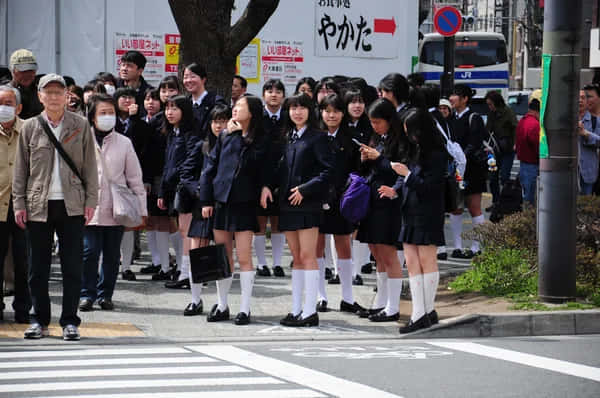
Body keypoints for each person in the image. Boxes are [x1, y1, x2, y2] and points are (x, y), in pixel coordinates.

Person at [12, 74, 99, 340]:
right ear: (39, 96)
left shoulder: (80, 125)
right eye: (47, 92)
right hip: (38, 204)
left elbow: (90, 168)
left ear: (67, 96)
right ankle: (39, 320)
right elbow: (21, 169)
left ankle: (70, 321)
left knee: (73, 265)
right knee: (37, 267)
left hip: (72, 204)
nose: (53, 97)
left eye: (58, 92)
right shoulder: (29, 126)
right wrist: (19, 203)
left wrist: (91, 201)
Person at [261, 93, 334, 327]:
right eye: (293, 108)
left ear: (310, 111)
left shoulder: (318, 137)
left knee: (307, 255)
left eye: (302, 108)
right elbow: (277, 169)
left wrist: (305, 189)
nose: (297, 112)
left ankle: (310, 311)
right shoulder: (287, 137)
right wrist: (266, 185)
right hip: (287, 204)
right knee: (296, 258)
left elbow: (328, 172)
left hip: (308, 204)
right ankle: (296, 309)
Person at [199, 95, 268, 325]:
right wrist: (206, 200)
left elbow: (257, 165)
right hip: (221, 202)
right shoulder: (225, 135)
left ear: (252, 112)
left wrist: (238, 136)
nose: (235, 110)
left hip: (245, 203)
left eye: (241, 106)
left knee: (244, 257)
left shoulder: (259, 138)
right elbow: (210, 168)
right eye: (235, 106)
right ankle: (222, 304)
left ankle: (245, 308)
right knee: (222, 256)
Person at [79, 94, 147, 312]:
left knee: (111, 255)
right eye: (103, 113)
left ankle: (105, 294)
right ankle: (86, 294)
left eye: (111, 113)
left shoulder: (124, 142)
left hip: (116, 208)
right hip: (88, 207)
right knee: (89, 253)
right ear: (92, 116)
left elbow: (135, 178)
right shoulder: (81, 139)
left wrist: (142, 210)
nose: (108, 117)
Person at [386, 109, 447, 333]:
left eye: (411, 132)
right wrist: (394, 190)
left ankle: (422, 312)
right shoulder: (413, 150)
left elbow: (431, 187)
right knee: (411, 262)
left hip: (428, 210)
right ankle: (422, 312)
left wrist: (408, 175)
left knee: (426, 260)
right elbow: (405, 179)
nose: (409, 136)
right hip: (409, 210)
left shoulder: (437, 154)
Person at [355, 98, 408, 322]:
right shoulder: (377, 138)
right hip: (373, 199)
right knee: (377, 253)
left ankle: (393, 306)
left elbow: (402, 171)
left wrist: (380, 158)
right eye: (372, 122)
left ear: (389, 120)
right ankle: (381, 302)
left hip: (390, 202)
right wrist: (366, 159)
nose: (374, 126)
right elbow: (371, 169)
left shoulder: (401, 141)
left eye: (378, 122)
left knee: (389, 255)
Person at [179, 104, 231, 316]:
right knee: (196, 252)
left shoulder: (235, 144)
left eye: (223, 120)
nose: (219, 125)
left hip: (224, 207)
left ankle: (222, 303)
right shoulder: (202, 145)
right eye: (215, 121)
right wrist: (199, 190)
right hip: (202, 206)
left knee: (223, 255)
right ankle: (195, 299)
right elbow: (186, 174)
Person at [316, 93, 365, 314]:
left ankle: (347, 297)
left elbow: (358, 171)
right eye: (327, 111)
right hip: (316, 198)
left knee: (344, 246)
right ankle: (320, 296)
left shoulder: (352, 139)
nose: (331, 115)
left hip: (342, 200)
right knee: (317, 248)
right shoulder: (315, 136)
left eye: (336, 111)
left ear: (342, 114)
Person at [157, 96, 201, 288]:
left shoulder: (191, 134)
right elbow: (167, 164)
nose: (170, 112)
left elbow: (188, 163)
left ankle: (188, 274)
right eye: (167, 108)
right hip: (175, 188)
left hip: (187, 189)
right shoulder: (172, 134)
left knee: (188, 232)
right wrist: (162, 190)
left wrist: (171, 179)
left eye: (175, 108)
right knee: (184, 231)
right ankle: (186, 272)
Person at [0, 84, 31, 323]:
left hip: (24, 206)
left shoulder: (31, 131)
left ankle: (23, 309)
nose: (3, 108)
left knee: (23, 261)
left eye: (8, 104)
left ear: (18, 107)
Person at [448, 84, 488, 259]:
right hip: (456, 170)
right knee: (455, 208)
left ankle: (475, 247)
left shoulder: (474, 118)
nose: (451, 98)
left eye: (455, 95)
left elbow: (475, 143)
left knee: (474, 207)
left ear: (465, 99)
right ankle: (457, 247)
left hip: (472, 170)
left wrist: (461, 156)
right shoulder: (450, 119)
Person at [255, 79, 287, 278]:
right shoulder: (257, 117)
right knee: (259, 222)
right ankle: (260, 264)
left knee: (277, 222)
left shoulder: (288, 117)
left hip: (283, 176)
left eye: (278, 91)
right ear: (263, 95)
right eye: (269, 90)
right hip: (259, 176)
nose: (273, 94)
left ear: (284, 95)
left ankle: (277, 263)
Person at [484, 90, 518, 209]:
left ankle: (505, 201)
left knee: (504, 176)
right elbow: (487, 130)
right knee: (492, 176)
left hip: (507, 148)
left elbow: (515, 128)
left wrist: (515, 143)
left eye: (490, 104)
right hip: (494, 149)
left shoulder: (508, 112)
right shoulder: (491, 114)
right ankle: (496, 201)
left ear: (497, 103)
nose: (489, 107)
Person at [183, 63, 225, 135]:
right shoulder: (185, 104)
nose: (188, 80)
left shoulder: (216, 102)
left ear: (203, 79)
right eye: (185, 77)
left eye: (192, 76)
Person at [515, 98, 540, 205]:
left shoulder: (522, 121)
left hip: (523, 163)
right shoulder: (534, 124)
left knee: (525, 195)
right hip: (532, 164)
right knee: (531, 198)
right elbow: (537, 146)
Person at [8, 49, 43, 119]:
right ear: (12, 70)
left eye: (31, 70)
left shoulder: (43, 90)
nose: (27, 74)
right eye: (22, 70)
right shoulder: (4, 93)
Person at [117, 50, 153, 118]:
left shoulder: (148, 92)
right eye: (123, 65)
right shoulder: (114, 87)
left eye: (129, 66)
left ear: (140, 71)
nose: (124, 69)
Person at [580, 85, 600, 195]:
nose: (580, 101)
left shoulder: (594, 121)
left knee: (586, 204)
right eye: (577, 98)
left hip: (588, 173)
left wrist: (586, 134)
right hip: (568, 172)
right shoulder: (565, 121)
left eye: (584, 98)